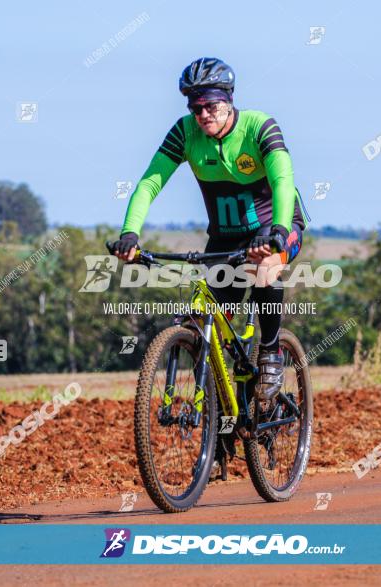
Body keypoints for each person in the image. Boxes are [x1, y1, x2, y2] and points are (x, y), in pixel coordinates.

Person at [111, 57, 310, 401]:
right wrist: (130, 233)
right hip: (226, 237)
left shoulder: (259, 127)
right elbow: (149, 183)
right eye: (195, 107)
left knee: (264, 272)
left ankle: (272, 353)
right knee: (203, 321)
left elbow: (282, 180)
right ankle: (217, 420)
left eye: (211, 105)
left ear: (229, 100)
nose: (203, 115)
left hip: (277, 226)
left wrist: (277, 229)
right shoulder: (185, 132)